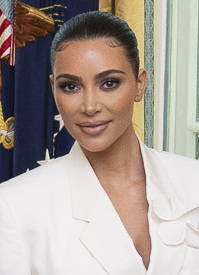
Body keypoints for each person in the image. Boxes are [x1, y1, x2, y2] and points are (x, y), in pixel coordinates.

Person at [0, 11, 199, 275]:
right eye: (70, 87)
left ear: (140, 84)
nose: (90, 106)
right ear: (53, 88)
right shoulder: (13, 206)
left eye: (109, 83)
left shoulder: (194, 180)